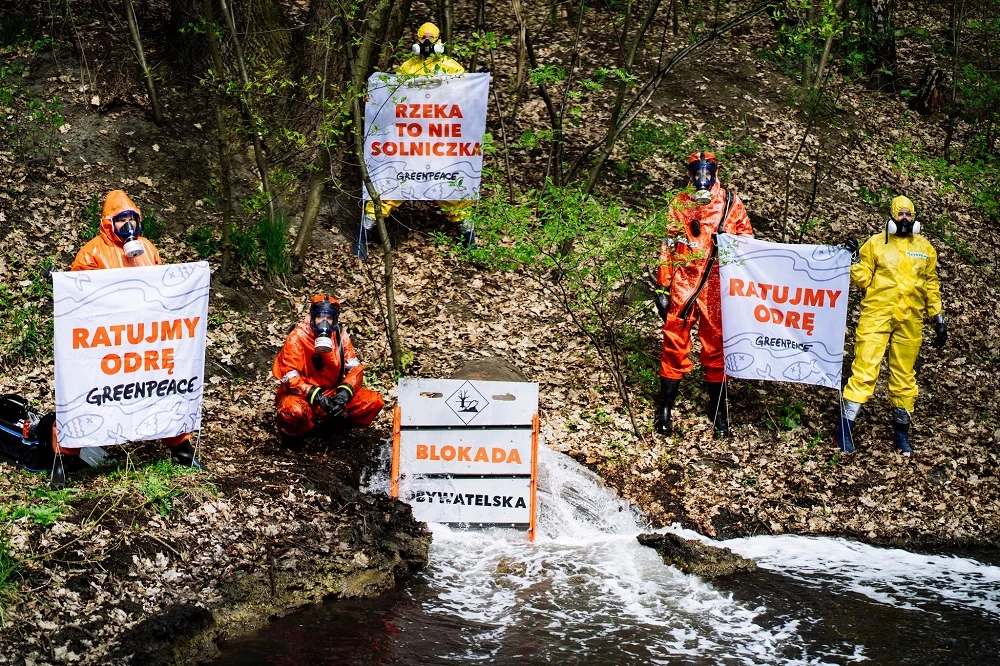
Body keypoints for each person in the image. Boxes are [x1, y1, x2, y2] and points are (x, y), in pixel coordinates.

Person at [52, 190, 204, 487]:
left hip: (144, 338)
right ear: (109, 223)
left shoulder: (147, 248)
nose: (128, 226)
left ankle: (181, 448)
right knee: (87, 391)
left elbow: (163, 286)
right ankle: (65, 457)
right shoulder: (92, 252)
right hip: (105, 340)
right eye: (121, 220)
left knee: (158, 386)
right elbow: (79, 300)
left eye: (132, 219)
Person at [353, 22, 475, 259]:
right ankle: (363, 236)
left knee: (451, 190)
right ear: (417, 41)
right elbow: (394, 99)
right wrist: (375, 98)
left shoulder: (452, 68)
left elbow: (467, 98)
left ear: (439, 41)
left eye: (431, 38)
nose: (427, 43)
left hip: (441, 140)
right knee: (392, 184)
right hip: (411, 140)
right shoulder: (407, 68)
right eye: (423, 38)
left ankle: (470, 240)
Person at [834, 196, 945, 454]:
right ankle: (844, 430)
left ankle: (901, 435)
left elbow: (930, 283)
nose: (905, 218)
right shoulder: (876, 243)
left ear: (915, 217)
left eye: (909, 214)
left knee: (904, 375)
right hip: (877, 315)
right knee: (865, 369)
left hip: (911, 320)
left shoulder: (925, 248)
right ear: (892, 216)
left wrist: (937, 315)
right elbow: (862, 278)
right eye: (901, 214)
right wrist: (852, 259)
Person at [654, 151, 753, 436]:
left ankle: (718, 410)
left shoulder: (731, 204)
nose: (702, 178)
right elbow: (668, 245)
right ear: (689, 174)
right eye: (697, 172)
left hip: (716, 285)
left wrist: (731, 244)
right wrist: (663, 285)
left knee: (716, 346)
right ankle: (665, 409)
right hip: (684, 283)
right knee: (674, 343)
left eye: (707, 172)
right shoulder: (679, 204)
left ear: (715, 172)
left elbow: (748, 243)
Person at [272, 294, 385, 446]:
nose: (324, 322)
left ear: (334, 320)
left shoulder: (339, 336)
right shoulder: (297, 337)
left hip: (332, 393)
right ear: (312, 317)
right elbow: (290, 377)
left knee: (373, 401)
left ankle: (334, 427)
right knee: (293, 411)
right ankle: (295, 437)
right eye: (319, 317)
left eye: (329, 318)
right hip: (303, 395)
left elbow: (355, 369)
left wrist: (343, 394)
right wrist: (317, 397)